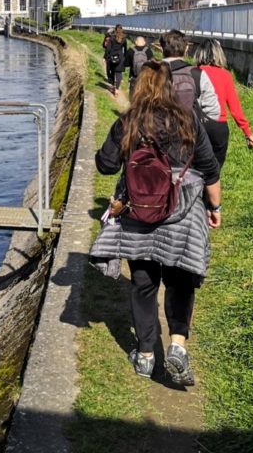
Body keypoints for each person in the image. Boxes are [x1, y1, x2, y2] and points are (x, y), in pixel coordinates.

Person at [91, 61, 222, 386]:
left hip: (139, 214)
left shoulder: (129, 121)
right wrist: (215, 206)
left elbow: (106, 165)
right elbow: (209, 168)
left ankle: (146, 355)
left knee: (143, 284)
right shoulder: (187, 119)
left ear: (138, 87)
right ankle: (177, 347)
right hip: (183, 213)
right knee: (180, 282)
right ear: (169, 88)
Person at [192, 39, 253, 166]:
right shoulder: (225, 75)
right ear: (219, 54)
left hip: (196, 124)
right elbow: (235, 108)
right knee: (215, 169)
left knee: (195, 166)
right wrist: (247, 132)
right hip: (218, 126)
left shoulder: (192, 72)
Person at [159, 29, 220, 122]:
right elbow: (214, 111)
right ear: (186, 49)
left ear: (161, 48)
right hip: (188, 132)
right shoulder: (197, 74)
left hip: (158, 132)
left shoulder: (150, 72)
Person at [103, 24, 131, 93]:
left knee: (112, 72)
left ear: (115, 30)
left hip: (112, 57)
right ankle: (117, 90)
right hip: (120, 57)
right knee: (118, 74)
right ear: (122, 30)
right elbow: (125, 49)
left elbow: (108, 49)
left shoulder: (112, 38)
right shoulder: (124, 38)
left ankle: (112, 86)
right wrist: (125, 58)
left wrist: (105, 57)